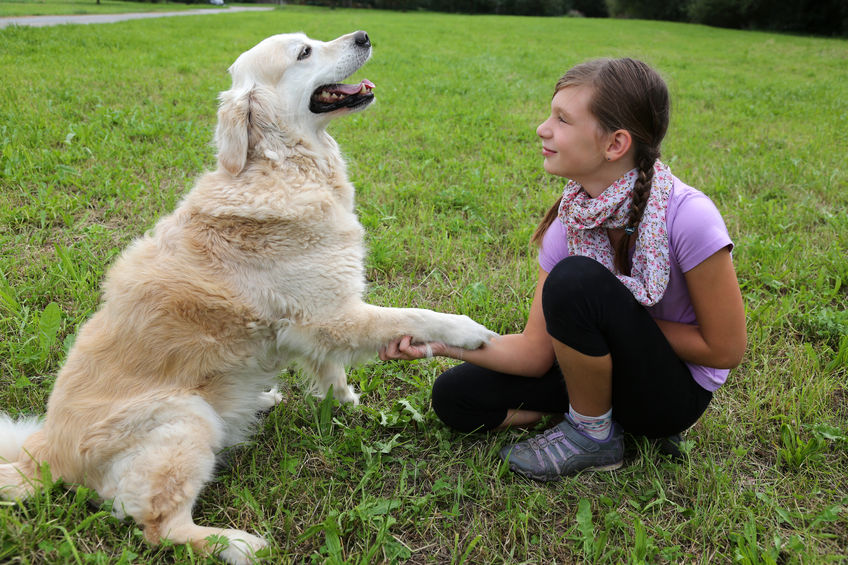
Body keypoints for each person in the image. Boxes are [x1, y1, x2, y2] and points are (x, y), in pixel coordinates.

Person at [379, 58, 746, 482]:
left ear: (615, 144)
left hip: (667, 395)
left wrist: (611, 323)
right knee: (456, 398)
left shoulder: (689, 217)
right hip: (604, 373)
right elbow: (536, 354)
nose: (543, 128)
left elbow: (725, 349)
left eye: (563, 119)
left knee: (577, 282)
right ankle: (601, 418)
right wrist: (438, 342)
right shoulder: (570, 224)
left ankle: (593, 436)